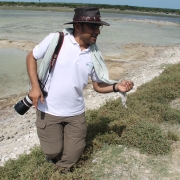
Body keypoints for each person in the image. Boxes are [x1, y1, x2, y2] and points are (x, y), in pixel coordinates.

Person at [26, 7, 134, 172]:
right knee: (53, 151)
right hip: (48, 109)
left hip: (76, 113)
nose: (97, 31)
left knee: (72, 156)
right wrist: (35, 87)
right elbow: (31, 56)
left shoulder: (94, 53)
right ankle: (54, 150)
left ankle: (62, 171)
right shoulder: (57, 40)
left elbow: (97, 86)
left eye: (99, 27)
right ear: (77, 26)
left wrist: (116, 87)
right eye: (92, 27)